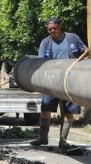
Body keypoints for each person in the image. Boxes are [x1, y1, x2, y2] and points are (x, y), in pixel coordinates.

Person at [29, 18, 86, 148]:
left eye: (54, 28)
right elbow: (41, 62)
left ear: (60, 27)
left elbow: (85, 51)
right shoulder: (45, 42)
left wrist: (83, 65)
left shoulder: (72, 38)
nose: (52, 31)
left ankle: (63, 140)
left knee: (68, 111)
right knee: (46, 107)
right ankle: (43, 138)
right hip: (51, 81)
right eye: (50, 29)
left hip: (70, 80)